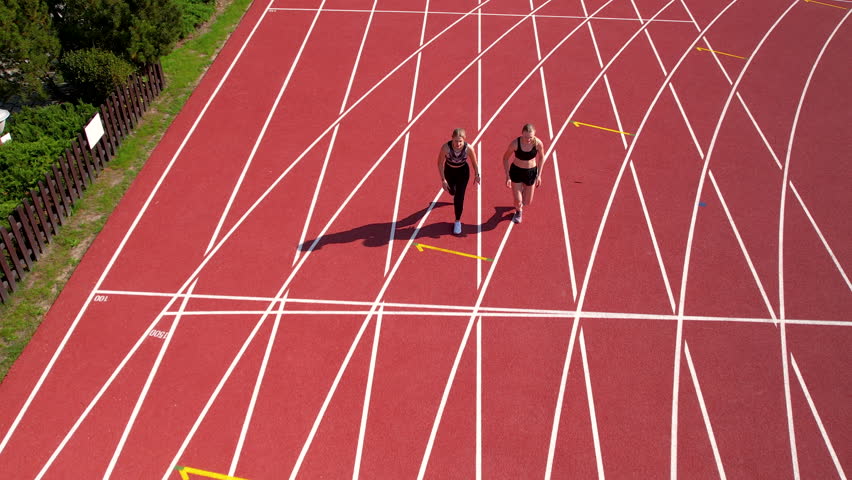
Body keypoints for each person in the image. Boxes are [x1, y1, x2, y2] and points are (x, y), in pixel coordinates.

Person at [437, 128, 480, 234]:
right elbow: (439, 163)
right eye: (456, 141)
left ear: (464, 140)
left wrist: (477, 174)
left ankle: (457, 221)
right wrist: (443, 180)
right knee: (452, 191)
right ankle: (453, 192)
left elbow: (475, 163)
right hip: (449, 171)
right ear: (452, 139)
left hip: (463, 173)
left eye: (460, 141)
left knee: (459, 197)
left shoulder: (468, 148)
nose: (458, 143)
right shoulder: (445, 148)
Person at [503, 123, 544, 224]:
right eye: (525, 136)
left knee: (527, 202)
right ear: (522, 134)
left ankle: (521, 195)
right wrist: (507, 176)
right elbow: (505, 158)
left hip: (531, 172)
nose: (528, 139)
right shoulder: (515, 144)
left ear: (534, 135)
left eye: (530, 137)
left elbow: (542, 157)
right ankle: (518, 211)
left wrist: (539, 175)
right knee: (518, 201)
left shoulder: (538, 143)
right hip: (517, 171)